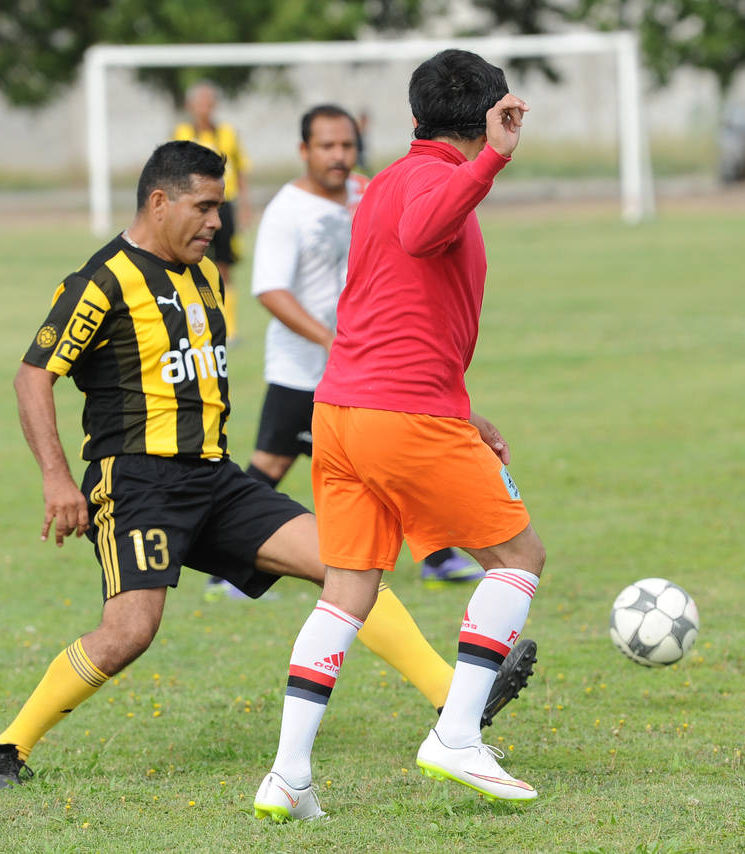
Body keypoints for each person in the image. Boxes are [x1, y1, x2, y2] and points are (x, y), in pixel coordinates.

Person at [0, 140, 533, 789]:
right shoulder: (103, 280)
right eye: (205, 208)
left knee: (346, 564)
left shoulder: (205, 275)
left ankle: (454, 697)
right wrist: (56, 477)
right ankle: (5, 751)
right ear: (159, 200)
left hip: (215, 478)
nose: (217, 223)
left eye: (222, 208)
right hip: (138, 482)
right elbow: (32, 375)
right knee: (129, 631)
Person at [253, 50, 542, 822]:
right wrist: (490, 167)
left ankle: (287, 775)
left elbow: (397, 305)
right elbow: (423, 235)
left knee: (346, 591)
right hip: (400, 416)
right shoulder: (438, 183)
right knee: (518, 558)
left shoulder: (380, 183)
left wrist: (463, 405)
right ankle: (455, 733)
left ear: (414, 116)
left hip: (342, 412)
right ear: (489, 118)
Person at [241, 103, 483, 593]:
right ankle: (234, 557)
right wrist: (328, 339)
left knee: (392, 460)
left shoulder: (371, 190)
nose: (339, 155)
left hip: (369, 369)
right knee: (269, 464)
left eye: (347, 145)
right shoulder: (287, 210)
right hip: (302, 367)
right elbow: (269, 289)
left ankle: (437, 556)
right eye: (327, 146)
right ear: (303, 151)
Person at [173, 81, 251, 342]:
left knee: (225, 266)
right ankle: (193, 323)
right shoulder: (181, 132)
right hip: (193, 207)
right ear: (190, 106)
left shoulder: (228, 133)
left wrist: (245, 208)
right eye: (199, 103)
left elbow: (240, 171)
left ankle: (229, 328)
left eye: (208, 103)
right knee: (189, 262)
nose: (204, 108)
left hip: (225, 205)